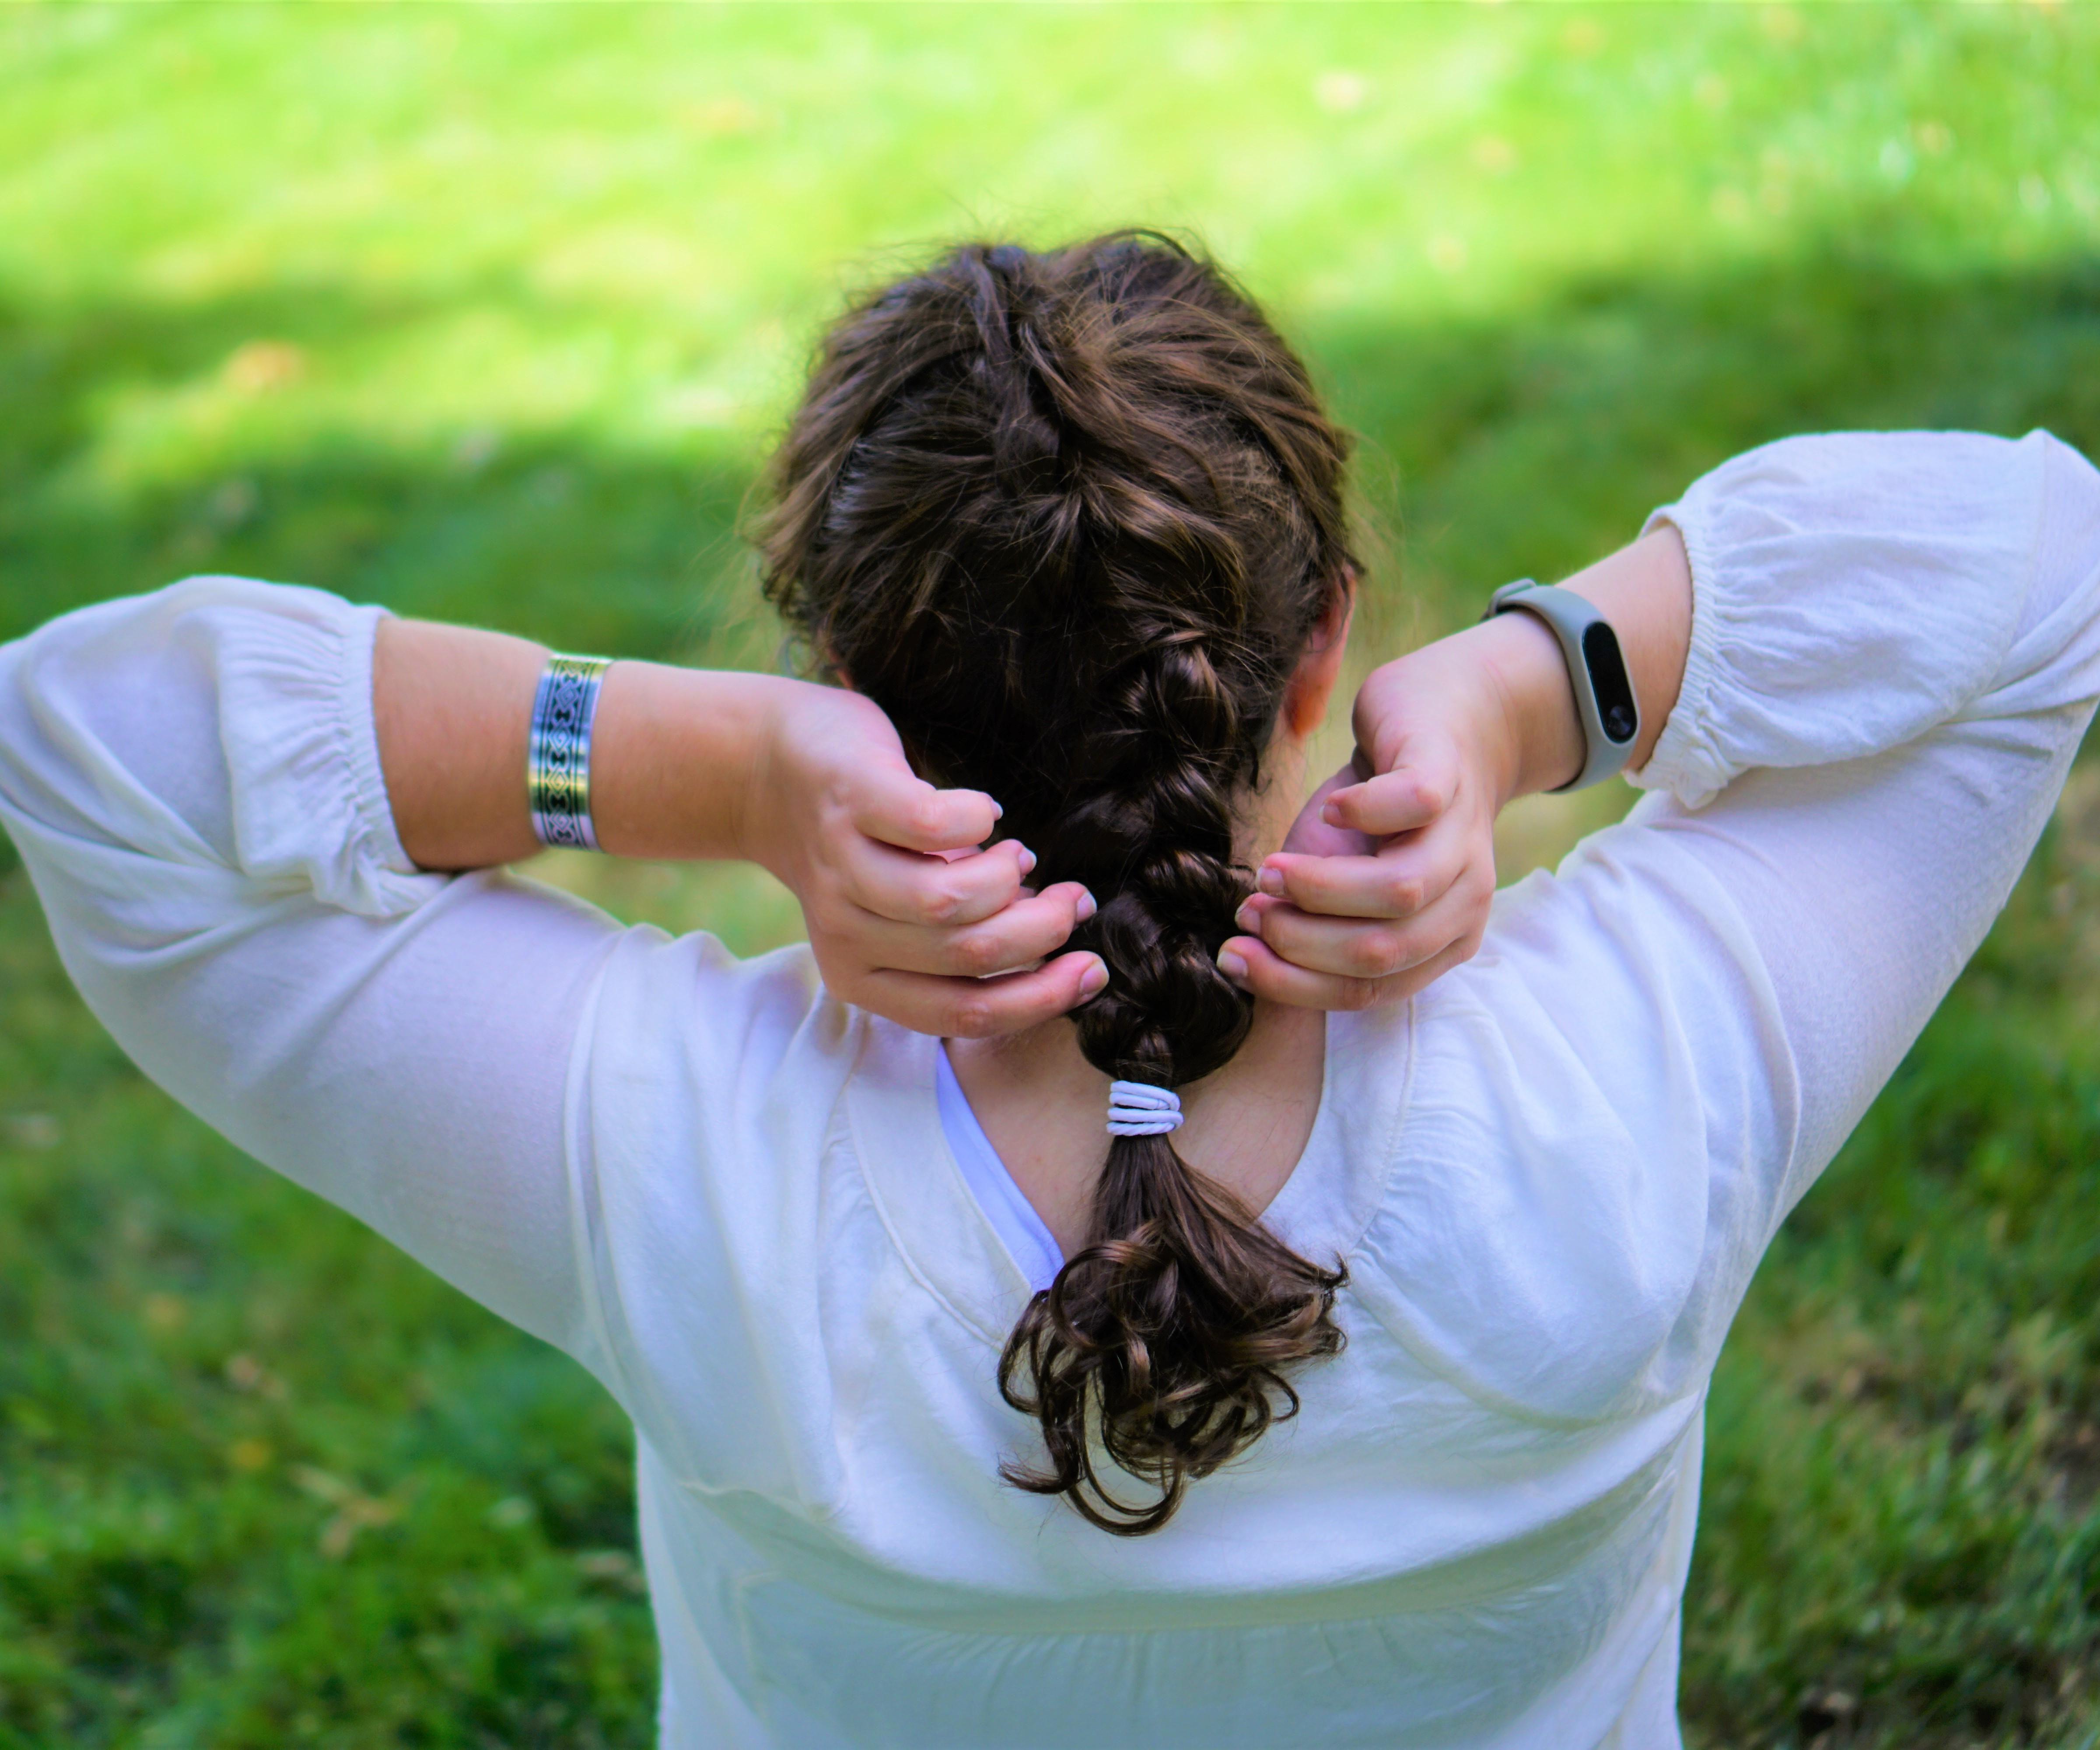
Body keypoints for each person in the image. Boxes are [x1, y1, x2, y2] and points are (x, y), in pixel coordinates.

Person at [1, 232, 2095, 1749]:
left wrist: (693, 768)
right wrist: (1547, 686)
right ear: (1321, 646)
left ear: (848, 692)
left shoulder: (691, 1160)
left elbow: (94, 746)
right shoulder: (1627, 1088)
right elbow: (2035, 563)